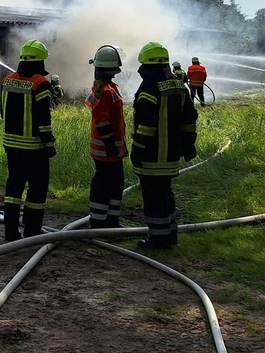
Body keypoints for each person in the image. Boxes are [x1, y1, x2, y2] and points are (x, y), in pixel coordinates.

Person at [131, 41, 198, 249]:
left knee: (154, 198)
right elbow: (189, 119)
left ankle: (158, 240)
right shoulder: (179, 86)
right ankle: (170, 236)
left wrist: (138, 148)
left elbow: (146, 124)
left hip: (152, 156)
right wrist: (189, 145)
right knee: (166, 194)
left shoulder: (149, 87)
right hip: (171, 156)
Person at [0, 39, 57, 242]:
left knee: (13, 189)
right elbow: (43, 119)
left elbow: (2, 111)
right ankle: (32, 229)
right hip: (34, 148)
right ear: (40, 62)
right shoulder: (40, 84)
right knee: (37, 188)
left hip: (11, 146)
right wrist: (49, 143)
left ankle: (10, 232)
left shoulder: (7, 80)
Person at [84, 45, 127, 229]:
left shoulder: (103, 88)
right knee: (105, 183)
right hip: (106, 148)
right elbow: (102, 121)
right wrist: (110, 144)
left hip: (110, 147)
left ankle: (111, 220)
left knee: (116, 182)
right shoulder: (107, 91)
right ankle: (98, 221)